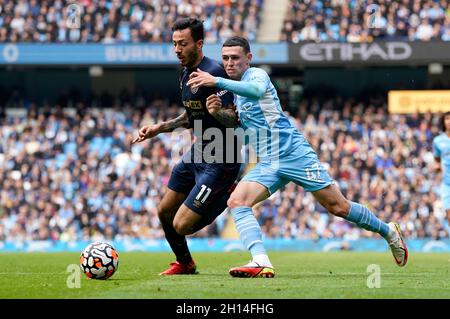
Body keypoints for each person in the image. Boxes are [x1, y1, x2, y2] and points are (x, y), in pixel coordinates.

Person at [187, 36, 408, 278]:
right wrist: (218, 113)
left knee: (338, 207)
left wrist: (216, 80)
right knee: (237, 202)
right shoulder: (236, 94)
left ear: (248, 59)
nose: (229, 63)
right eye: (226, 58)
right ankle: (260, 261)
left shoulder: (256, 76)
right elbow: (243, 131)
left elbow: (258, 90)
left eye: (235, 58)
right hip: (269, 161)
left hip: (293, 153)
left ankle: (388, 231)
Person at [131, 18, 241, 275]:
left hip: (221, 158)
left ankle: (229, 192)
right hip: (198, 152)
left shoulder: (214, 71)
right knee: (164, 211)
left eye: (183, 43)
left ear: (199, 43)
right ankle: (185, 262)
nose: (177, 49)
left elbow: (233, 118)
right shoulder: (184, 75)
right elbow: (190, 117)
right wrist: (158, 128)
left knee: (182, 225)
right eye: (174, 44)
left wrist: (217, 112)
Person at [432, 111, 450, 231]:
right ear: (444, 122)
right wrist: (437, 167)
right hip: (447, 183)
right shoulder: (438, 141)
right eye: (447, 118)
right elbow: (437, 159)